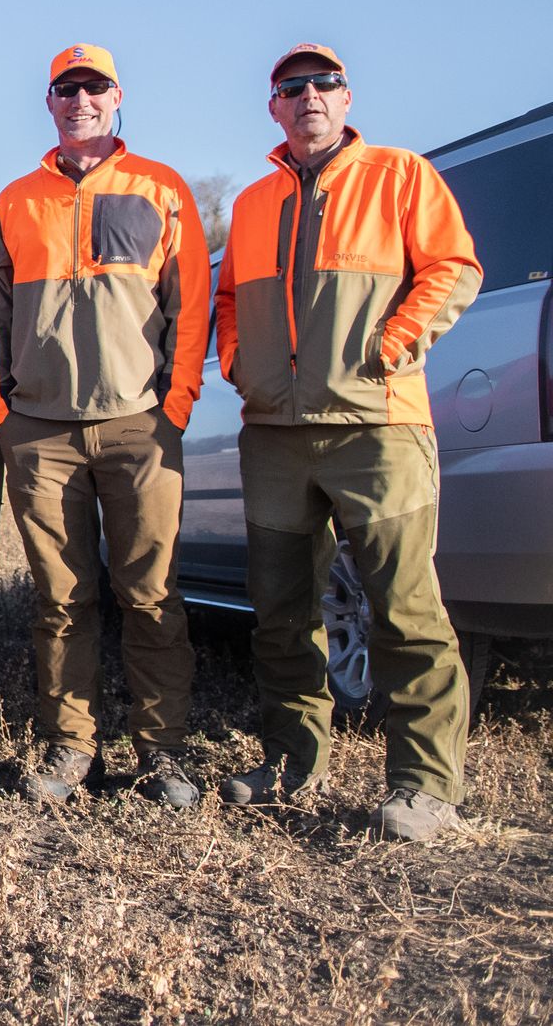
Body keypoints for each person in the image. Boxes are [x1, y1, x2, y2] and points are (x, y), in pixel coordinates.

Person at [214, 44, 479, 841]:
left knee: (403, 608)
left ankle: (425, 787)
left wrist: (396, 342)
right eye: (291, 87)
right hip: (275, 435)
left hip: (379, 427)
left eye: (323, 84)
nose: (308, 97)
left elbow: (454, 268)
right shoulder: (255, 202)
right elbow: (227, 298)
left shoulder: (401, 175)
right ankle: (291, 762)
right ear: (274, 108)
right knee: (282, 612)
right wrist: (238, 361)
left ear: (346, 96)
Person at [0, 43, 208, 807]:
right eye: (65, 89)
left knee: (150, 593)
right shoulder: (16, 200)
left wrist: (172, 407)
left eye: (94, 88)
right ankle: (70, 748)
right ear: (49, 103)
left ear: (118, 97)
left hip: (140, 423)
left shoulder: (163, 187)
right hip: (40, 431)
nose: (80, 100)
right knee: (61, 597)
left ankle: (163, 751)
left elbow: (192, 305)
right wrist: (2, 412)